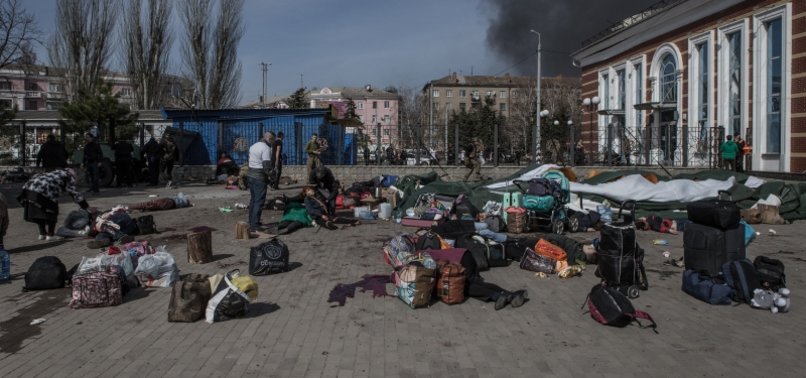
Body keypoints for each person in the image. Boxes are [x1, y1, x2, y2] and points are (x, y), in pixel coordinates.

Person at [18, 168, 90, 241]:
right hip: (43, 191)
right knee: (52, 211)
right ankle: (50, 235)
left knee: (40, 213)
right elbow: (74, 193)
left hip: (28, 190)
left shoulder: (56, 173)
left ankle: (42, 234)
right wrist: (86, 207)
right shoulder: (68, 176)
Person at [246, 132, 275, 231]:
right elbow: (267, 166)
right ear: (269, 139)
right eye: (272, 140)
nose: (273, 142)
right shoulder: (266, 148)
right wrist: (273, 177)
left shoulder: (253, 146)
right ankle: (255, 225)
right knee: (259, 201)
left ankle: (251, 221)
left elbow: (249, 160)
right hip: (259, 177)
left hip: (250, 175)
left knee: (253, 200)